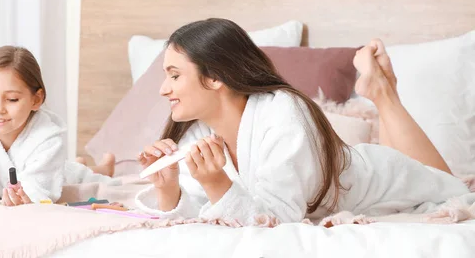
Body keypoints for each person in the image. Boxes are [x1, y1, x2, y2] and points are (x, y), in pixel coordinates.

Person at [135, 18, 471, 224]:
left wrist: (216, 184)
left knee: (450, 187)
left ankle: (382, 89)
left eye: (175, 76)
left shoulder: (284, 111)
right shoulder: (196, 133)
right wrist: (169, 189)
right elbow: (198, 212)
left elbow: (279, 218)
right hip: (352, 176)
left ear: (216, 77)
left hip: (385, 179)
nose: (164, 90)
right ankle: (382, 92)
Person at [0, 46, 116, 205]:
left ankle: (103, 168)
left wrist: (25, 200)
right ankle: (82, 163)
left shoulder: (46, 139)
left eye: (12, 99)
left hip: (53, 175)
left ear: (36, 99)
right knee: (69, 168)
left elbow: (36, 194)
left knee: (77, 176)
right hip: (56, 168)